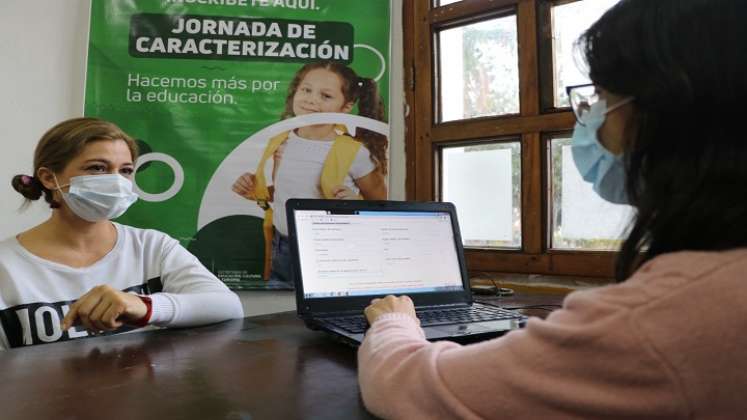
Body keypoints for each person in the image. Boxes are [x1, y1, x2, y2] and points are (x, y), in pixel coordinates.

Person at [357, 0, 747, 418]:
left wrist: (393, 322)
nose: (589, 118)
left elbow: (410, 386)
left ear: (667, 109)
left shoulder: (668, 317)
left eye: (600, 96)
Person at [0, 117, 244, 350]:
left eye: (125, 171)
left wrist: (145, 307)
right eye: (97, 168)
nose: (116, 182)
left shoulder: (152, 246)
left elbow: (228, 306)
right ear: (48, 178)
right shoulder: (6, 266)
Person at [232, 61, 388, 286]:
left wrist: (356, 203)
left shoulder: (355, 152)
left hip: (332, 252)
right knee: (280, 313)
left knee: (325, 314)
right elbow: (290, 191)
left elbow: (381, 205)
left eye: (325, 96)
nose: (311, 99)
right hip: (283, 247)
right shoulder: (281, 141)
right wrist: (255, 189)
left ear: (346, 106)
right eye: (306, 90)